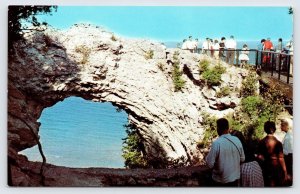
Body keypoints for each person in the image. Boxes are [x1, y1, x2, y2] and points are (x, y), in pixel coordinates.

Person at [206, 118, 245, 186]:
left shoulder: (217, 143)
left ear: (218, 128)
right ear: (228, 128)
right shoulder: (237, 140)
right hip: (235, 180)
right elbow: (242, 159)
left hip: (221, 181)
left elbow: (209, 164)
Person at [257, 121, 288, 187]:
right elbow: (281, 158)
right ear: (274, 130)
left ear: (265, 129)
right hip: (277, 169)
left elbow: (259, 157)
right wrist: (285, 172)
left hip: (266, 169)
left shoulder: (261, 142)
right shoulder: (278, 143)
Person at [281, 119, 293, 185]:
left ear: (286, 126)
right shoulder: (289, 135)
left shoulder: (288, 137)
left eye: (282, 125)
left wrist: (279, 148)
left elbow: (286, 152)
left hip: (289, 158)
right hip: (289, 156)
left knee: (289, 174)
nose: (281, 127)